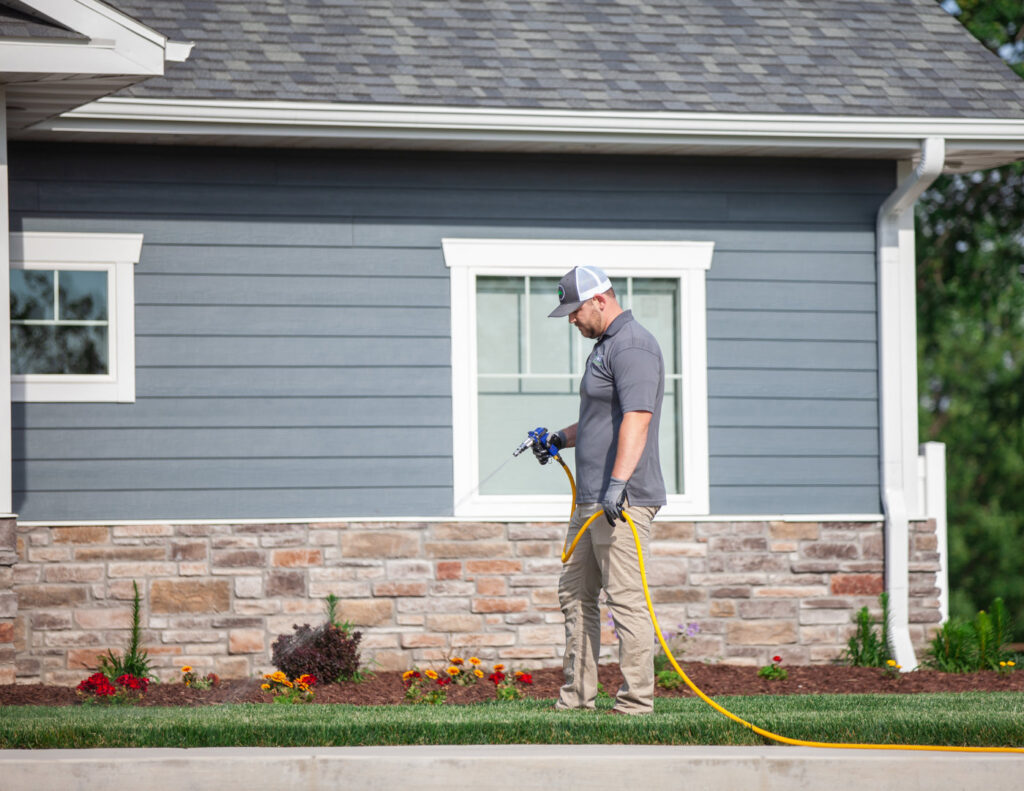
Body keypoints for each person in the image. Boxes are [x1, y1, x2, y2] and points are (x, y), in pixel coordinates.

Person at [530, 265, 666, 715]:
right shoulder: (605, 347)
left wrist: (617, 486)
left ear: (600, 301)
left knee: (625, 600)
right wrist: (558, 439)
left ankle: (635, 703)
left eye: (575, 311)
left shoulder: (633, 346)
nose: (571, 320)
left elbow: (637, 419)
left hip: (619, 502)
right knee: (574, 594)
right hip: (592, 499)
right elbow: (598, 422)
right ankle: (577, 699)